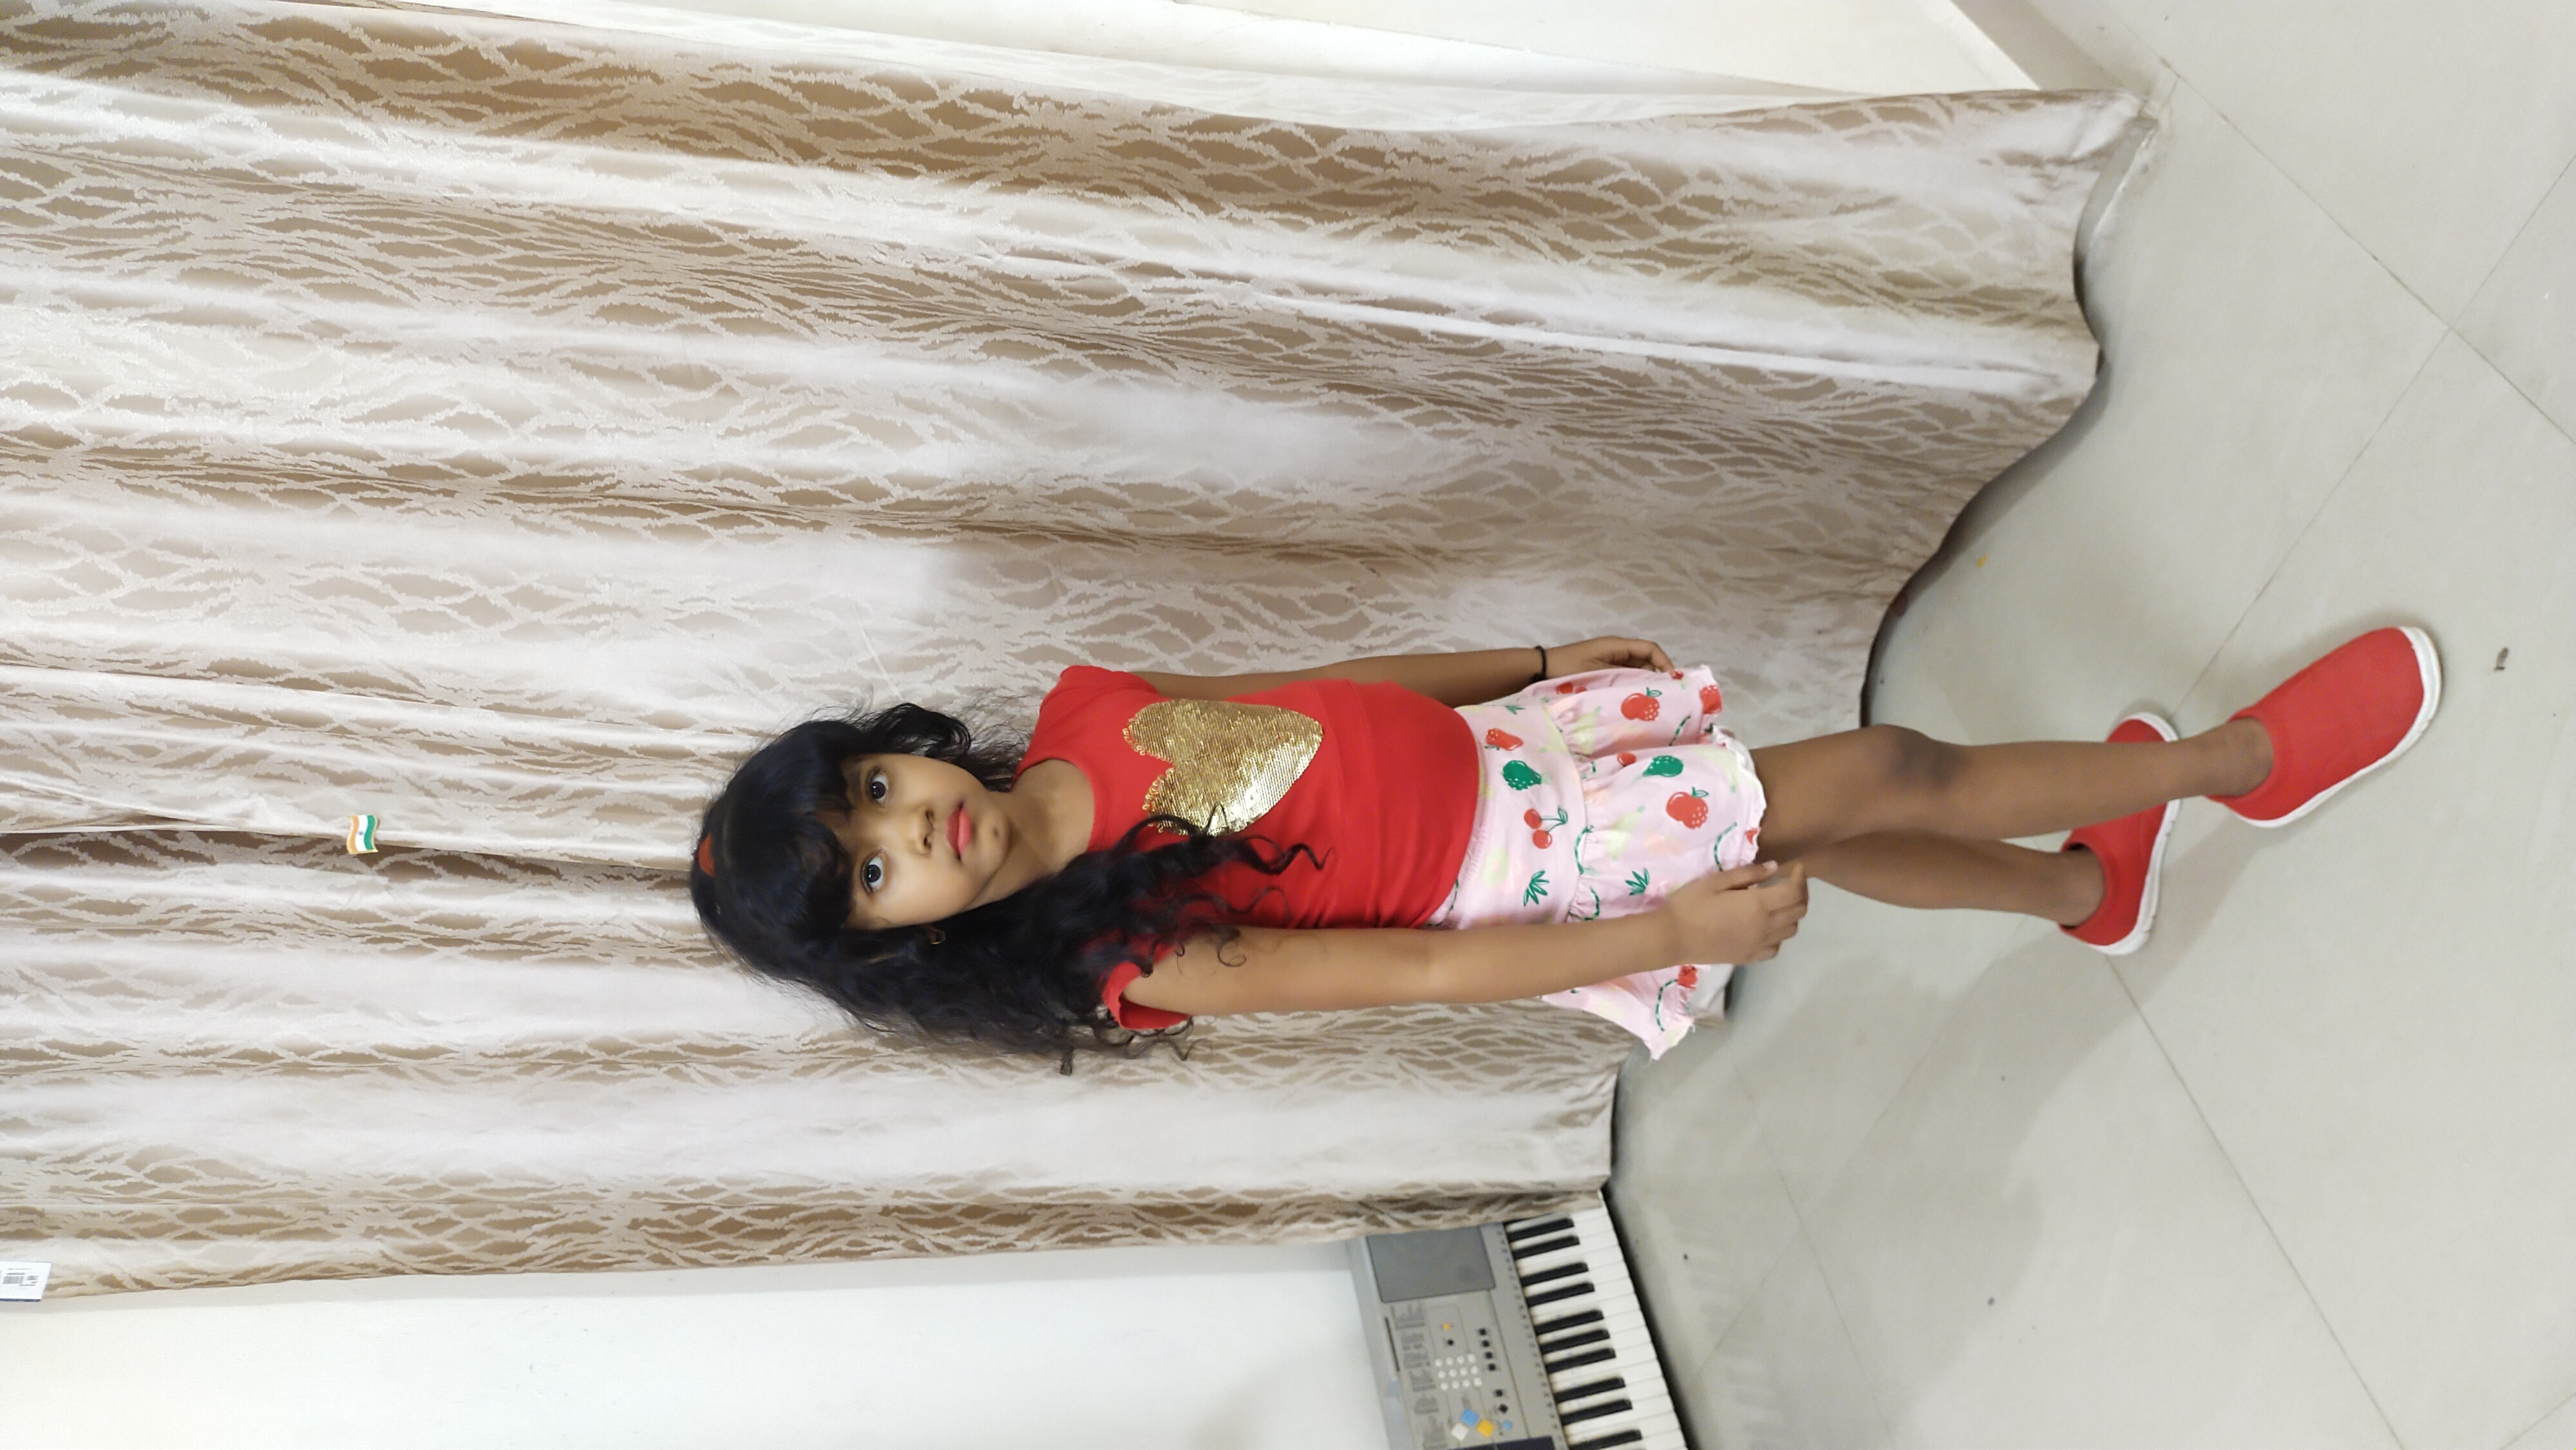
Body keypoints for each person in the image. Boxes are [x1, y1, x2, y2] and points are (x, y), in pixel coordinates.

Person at [690, 628, 2439, 1059]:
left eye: (868, 793)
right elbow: (1416, 972)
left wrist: (1524, 665)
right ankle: (2238, 762)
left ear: (888, 750)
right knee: (1880, 765)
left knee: (1829, 813)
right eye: (872, 873)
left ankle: (2081, 884)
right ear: (902, 940)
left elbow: (1325, 693)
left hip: (1520, 751)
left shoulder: (1083, 710)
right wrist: (1669, 931)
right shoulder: (1114, 952)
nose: (907, 826)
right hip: (1547, 870)